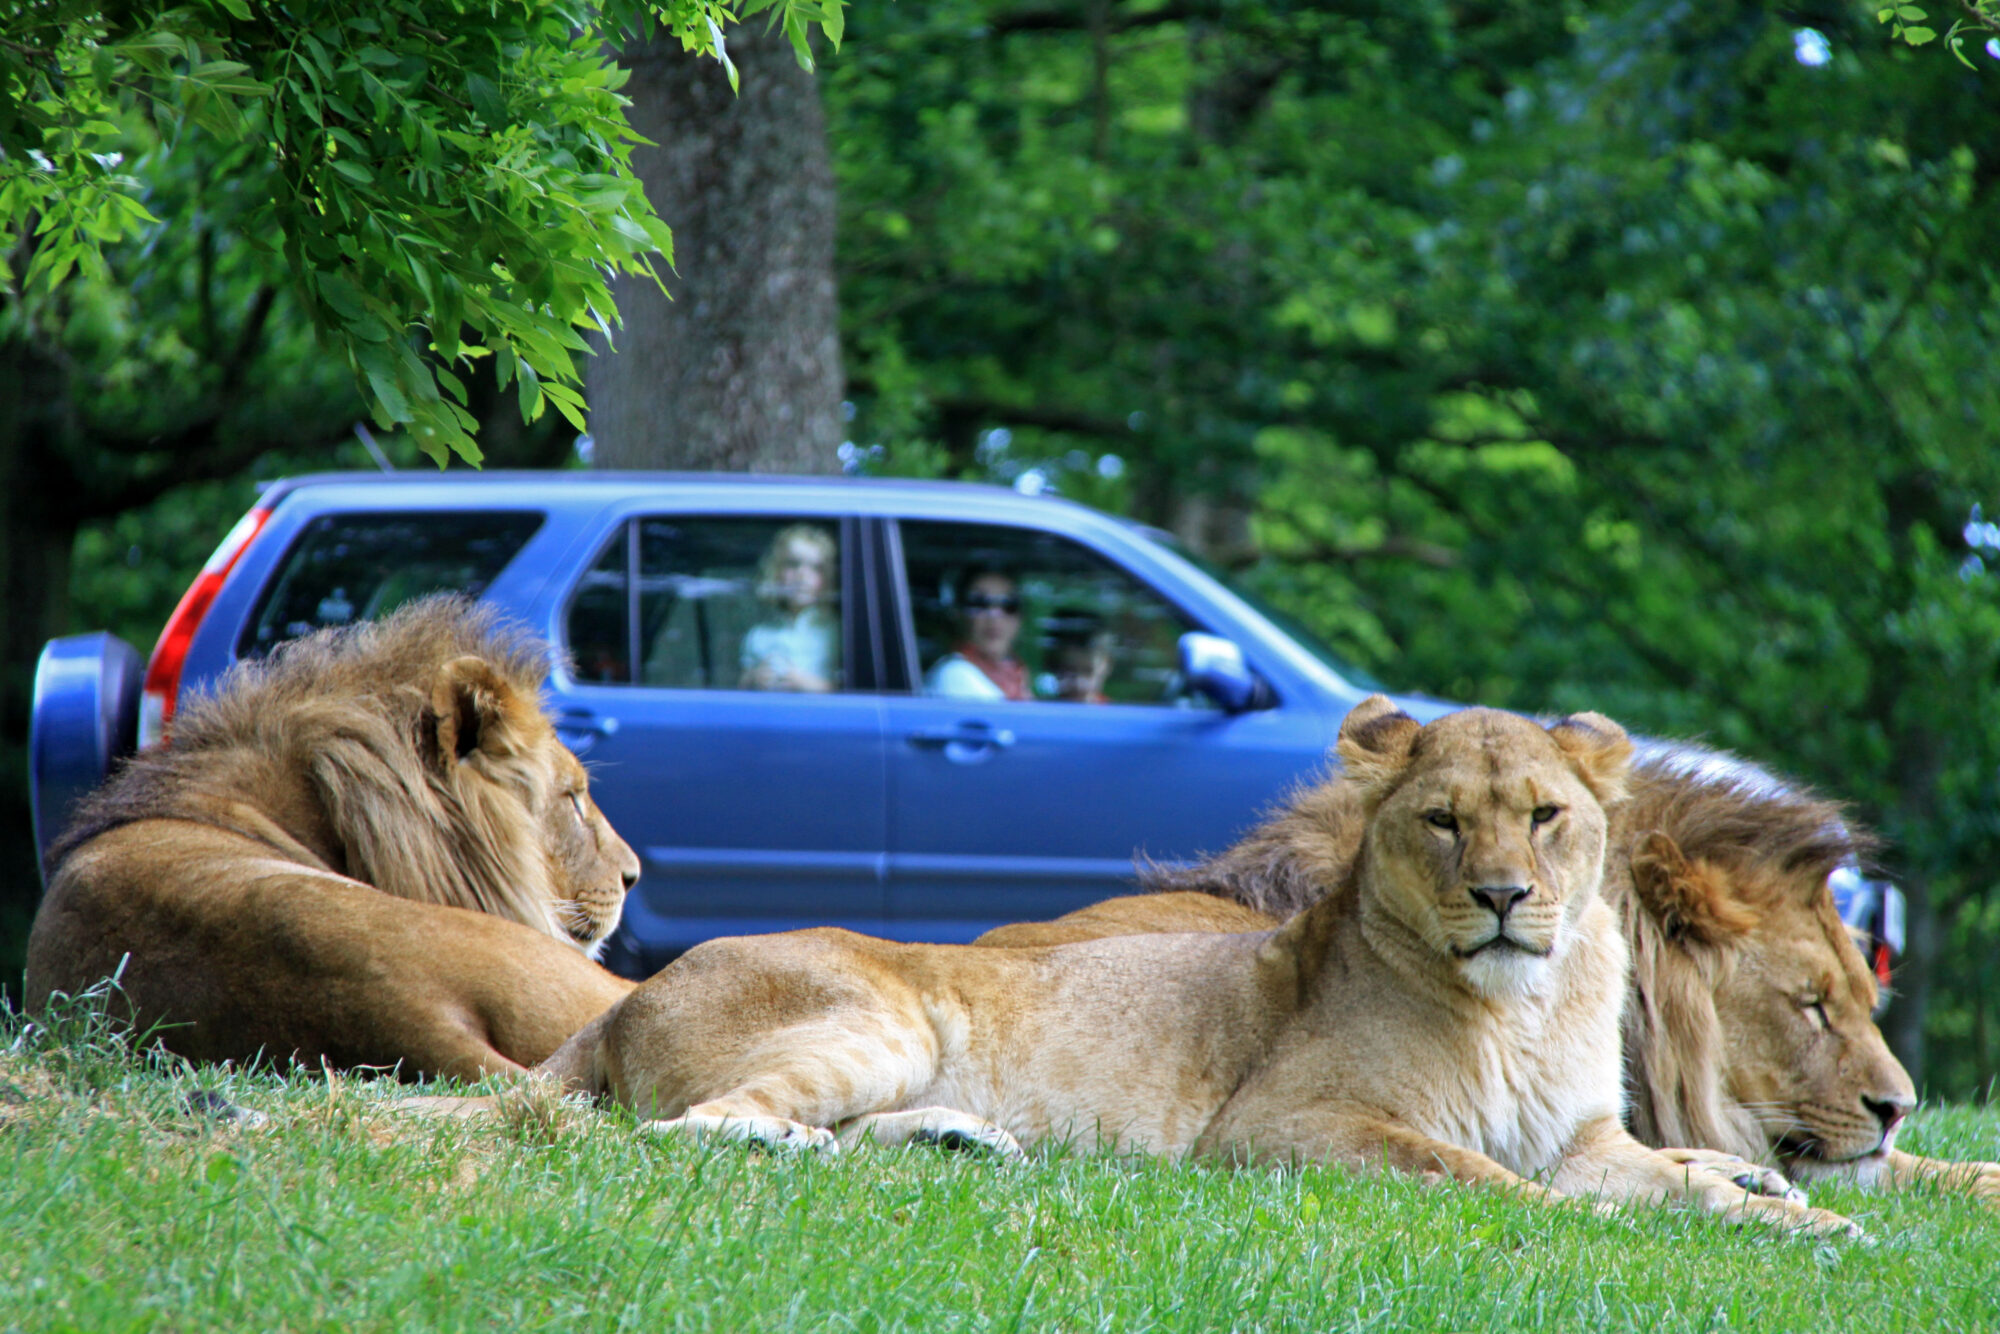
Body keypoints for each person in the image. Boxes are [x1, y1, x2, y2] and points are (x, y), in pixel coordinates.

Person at [739, 524, 839, 692]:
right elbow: (740, 689)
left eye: (815, 568)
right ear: (775, 571)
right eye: (793, 564)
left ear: (827, 578)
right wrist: (755, 678)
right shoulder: (759, 634)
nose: (802, 574)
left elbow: (853, 692)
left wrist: (802, 682)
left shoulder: (838, 632)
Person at [925, 568, 1031, 700]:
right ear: (958, 614)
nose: (994, 616)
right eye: (979, 604)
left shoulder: (1017, 676)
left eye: (1009, 605)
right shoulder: (954, 674)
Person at [1046, 607, 1113, 704]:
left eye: (1088, 671)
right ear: (1052, 666)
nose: (1079, 684)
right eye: (1068, 670)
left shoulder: (1116, 716)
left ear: (1107, 665)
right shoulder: (1039, 712)